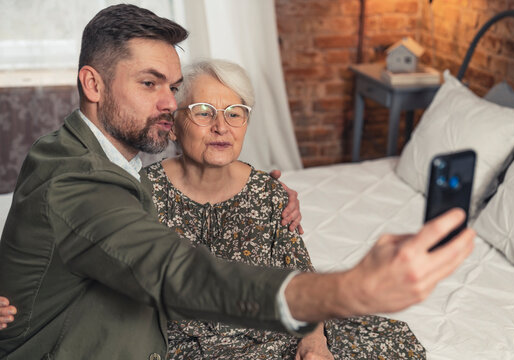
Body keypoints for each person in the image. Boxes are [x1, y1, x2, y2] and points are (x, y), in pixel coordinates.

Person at [0, 4, 475, 359]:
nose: (168, 102)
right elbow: (175, 272)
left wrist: (263, 190)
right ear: (94, 84)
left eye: (171, 86)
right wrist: (350, 289)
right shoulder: (85, 180)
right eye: (149, 84)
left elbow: (47, 242)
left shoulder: (83, 155)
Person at [144, 58, 426, 359]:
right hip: (187, 346)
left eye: (234, 114)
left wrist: (315, 342)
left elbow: (301, 277)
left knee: (393, 343)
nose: (221, 127)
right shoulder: (143, 193)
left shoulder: (268, 193)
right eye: (204, 112)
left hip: (274, 332)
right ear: (173, 126)